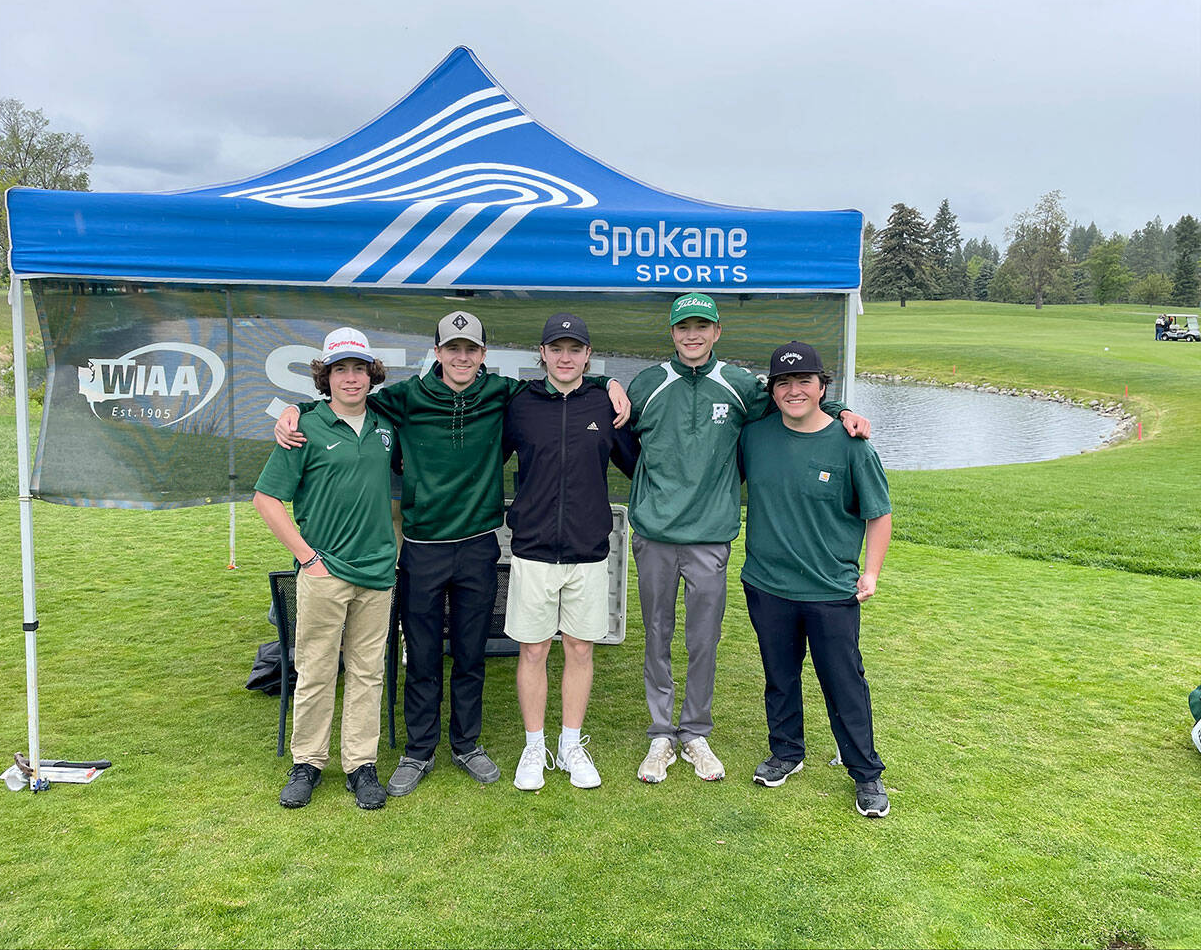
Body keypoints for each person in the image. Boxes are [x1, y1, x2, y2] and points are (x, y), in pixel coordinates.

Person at [274, 311, 630, 798]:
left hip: (479, 544)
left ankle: (467, 744)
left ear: (484, 355)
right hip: (422, 547)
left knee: (470, 653)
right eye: (453, 349)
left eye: (472, 349)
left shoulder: (503, 393)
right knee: (422, 655)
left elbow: (565, 382)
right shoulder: (406, 398)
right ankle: (418, 751)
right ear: (437, 352)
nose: (462, 358)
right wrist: (295, 408)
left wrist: (610, 382)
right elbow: (346, 400)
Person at [625, 293, 871, 784]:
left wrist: (842, 410)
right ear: (671, 334)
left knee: (703, 639)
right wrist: (606, 384)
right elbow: (615, 426)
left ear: (717, 332)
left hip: (710, 537)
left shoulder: (739, 385)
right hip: (653, 534)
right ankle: (659, 734)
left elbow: (796, 400)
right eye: (682, 328)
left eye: (702, 327)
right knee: (657, 634)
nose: (692, 336)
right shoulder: (647, 383)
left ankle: (694, 732)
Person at [738, 340, 893, 818]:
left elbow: (879, 514)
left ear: (823, 387)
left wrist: (870, 572)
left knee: (843, 681)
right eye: (783, 382)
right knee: (779, 678)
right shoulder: (754, 436)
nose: (794, 390)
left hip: (830, 589)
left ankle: (865, 773)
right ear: (773, 390)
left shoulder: (851, 445)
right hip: (766, 583)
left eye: (804, 380)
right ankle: (787, 752)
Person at [253, 327, 397, 810]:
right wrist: (307, 558)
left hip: (377, 572)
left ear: (371, 373)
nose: (351, 378)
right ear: (326, 376)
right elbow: (266, 499)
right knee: (315, 669)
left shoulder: (385, 425)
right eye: (341, 369)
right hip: (324, 572)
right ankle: (307, 763)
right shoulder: (303, 427)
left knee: (367, 672)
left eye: (359, 368)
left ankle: (361, 765)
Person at [501, 313, 639, 791]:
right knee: (534, 648)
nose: (565, 357)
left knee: (580, 647)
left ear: (587, 355)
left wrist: (612, 383)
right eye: (555, 349)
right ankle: (534, 746)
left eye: (574, 349)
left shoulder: (605, 401)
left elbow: (639, 461)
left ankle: (571, 743)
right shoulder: (518, 405)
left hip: (588, 549)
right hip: (533, 549)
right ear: (541, 353)